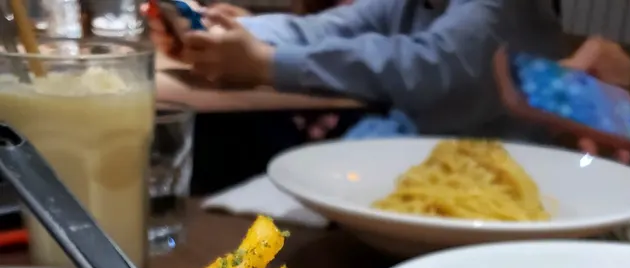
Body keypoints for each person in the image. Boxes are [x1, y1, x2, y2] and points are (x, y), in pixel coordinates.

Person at [151, 0, 568, 139]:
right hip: (427, 183)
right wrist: (220, 33)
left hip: (509, 208)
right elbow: (325, 29)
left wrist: (266, 63)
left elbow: (422, 66)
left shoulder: (499, 8)